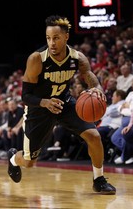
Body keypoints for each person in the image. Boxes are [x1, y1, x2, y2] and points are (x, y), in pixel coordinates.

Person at [7, 15, 116, 194]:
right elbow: (25, 96)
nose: (52, 43)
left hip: (64, 103)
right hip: (39, 109)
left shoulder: (77, 58)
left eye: (56, 38)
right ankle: (12, 158)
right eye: (48, 38)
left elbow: (90, 76)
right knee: (29, 162)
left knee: (94, 136)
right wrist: (45, 102)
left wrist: (97, 88)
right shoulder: (36, 59)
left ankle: (99, 180)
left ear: (66, 37)